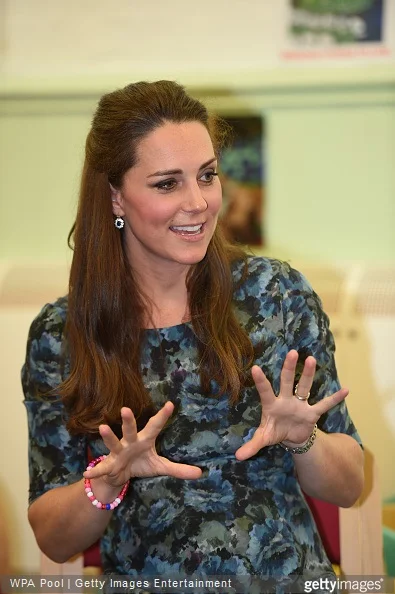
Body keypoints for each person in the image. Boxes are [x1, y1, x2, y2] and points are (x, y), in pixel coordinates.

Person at [22, 80, 364, 593]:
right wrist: (108, 483)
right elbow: (53, 538)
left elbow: (350, 484)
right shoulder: (62, 336)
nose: (199, 203)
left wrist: (305, 439)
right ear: (115, 195)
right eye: (167, 183)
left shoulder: (276, 295)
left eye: (207, 176)